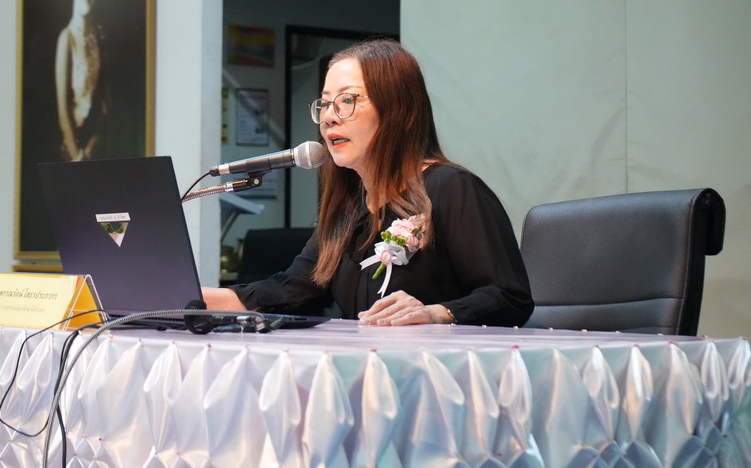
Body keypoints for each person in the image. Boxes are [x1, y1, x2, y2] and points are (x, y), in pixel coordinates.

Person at [203, 39, 533, 327]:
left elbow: (508, 297)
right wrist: (189, 296)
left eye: (347, 100)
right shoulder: (348, 207)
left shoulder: (452, 188)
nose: (329, 117)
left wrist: (435, 313)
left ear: (400, 111)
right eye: (325, 103)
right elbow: (288, 291)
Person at [55, 0, 110, 161]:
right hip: (71, 155)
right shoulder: (66, 39)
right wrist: (78, 157)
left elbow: (105, 104)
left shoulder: (100, 37)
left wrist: (91, 148)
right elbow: (63, 113)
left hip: (97, 152)